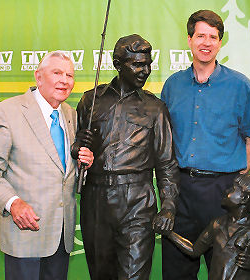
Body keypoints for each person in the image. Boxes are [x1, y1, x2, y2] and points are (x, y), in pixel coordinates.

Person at [160, 10, 250, 280]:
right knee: (177, 270)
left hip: (223, 194)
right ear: (189, 40)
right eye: (200, 36)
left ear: (220, 42)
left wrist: (238, 181)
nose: (206, 42)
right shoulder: (173, 86)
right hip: (180, 192)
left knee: (226, 271)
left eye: (213, 37)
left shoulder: (239, 85)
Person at [0, 51, 94, 280]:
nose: (64, 80)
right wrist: (13, 203)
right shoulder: (7, 112)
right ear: (38, 76)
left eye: (70, 75)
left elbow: (65, 171)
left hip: (61, 235)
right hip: (24, 233)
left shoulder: (71, 115)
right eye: (57, 73)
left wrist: (84, 163)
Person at [75, 34, 179, 280]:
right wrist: (78, 147)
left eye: (148, 63)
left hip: (137, 202)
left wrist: (169, 207)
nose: (145, 70)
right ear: (117, 63)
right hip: (96, 200)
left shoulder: (156, 108)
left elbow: (167, 163)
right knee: (101, 274)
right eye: (137, 64)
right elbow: (76, 146)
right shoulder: (91, 100)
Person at [161, 174, 250, 280]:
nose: (226, 190)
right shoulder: (217, 224)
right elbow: (194, 251)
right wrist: (169, 233)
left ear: (244, 198)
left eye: (233, 189)